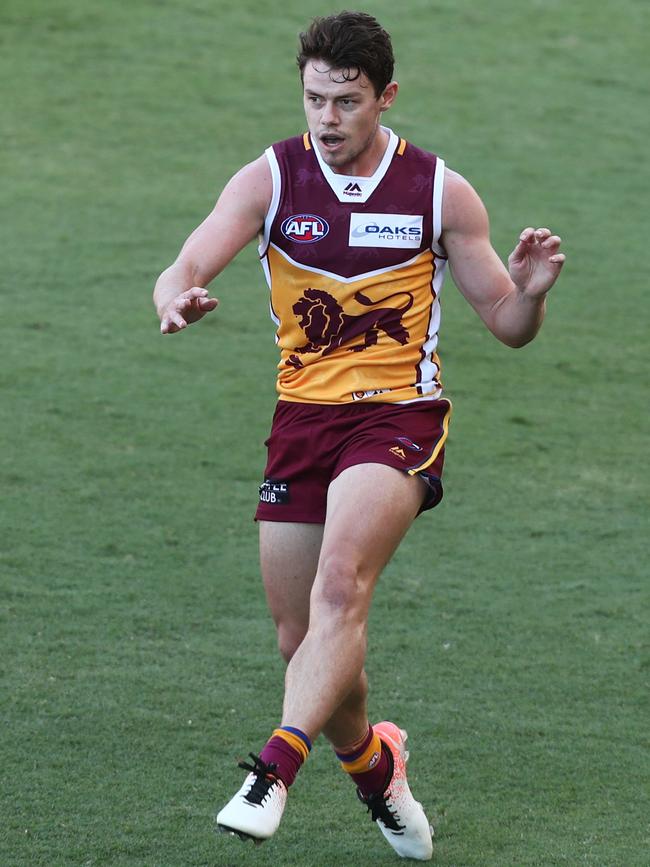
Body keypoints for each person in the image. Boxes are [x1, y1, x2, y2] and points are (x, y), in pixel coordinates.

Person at [153, 11, 565, 861]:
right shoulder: (271, 177)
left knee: (342, 583)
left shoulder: (440, 190)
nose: (328, 119)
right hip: (301, 420)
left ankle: (271, 770)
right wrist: (176, 294)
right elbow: (189, 258)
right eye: (315, 99)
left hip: (398, 415)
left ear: (385, 97)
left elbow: (507, 323)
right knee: (301, 640)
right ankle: (377, 766)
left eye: (347, 101)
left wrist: (528, 293)